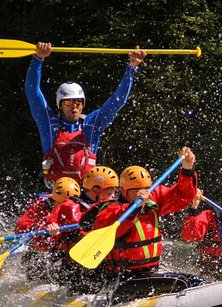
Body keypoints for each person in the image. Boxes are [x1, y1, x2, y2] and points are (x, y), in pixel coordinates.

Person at [25, 41, 146, 185]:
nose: (74, 107)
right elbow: (32, 91)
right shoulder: (50, 125)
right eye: (69, 103)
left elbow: (117, 101)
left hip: (86, 196)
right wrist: (38, 59)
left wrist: (131, 69)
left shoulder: (91, 125)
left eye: (78, 102)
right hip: (56, 194)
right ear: (60, 105)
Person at [90, 146, 198, 286]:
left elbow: (183, 197)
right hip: (123, 280)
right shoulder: (111, 209)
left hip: (150, 272)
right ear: (123, 191)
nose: (144, 193)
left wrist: (187, 170)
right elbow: (111, 228)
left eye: (146, 189)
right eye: (136, 191)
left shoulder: (153, 198)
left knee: (195, 281)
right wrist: (134, 207)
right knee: (185, 283)